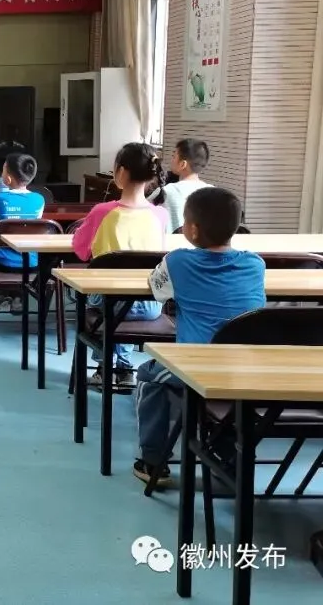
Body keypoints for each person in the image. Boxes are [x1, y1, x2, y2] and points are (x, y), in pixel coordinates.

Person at [134, 187, 265, 487]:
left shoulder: (178, 261)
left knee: (148, 376)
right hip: (248, 369)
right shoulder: (255, 264)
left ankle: (152, 459)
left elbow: (156, 289)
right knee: (231, 399)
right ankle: (226, 453)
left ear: (191, 230)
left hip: (196, 367)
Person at [71, 142, 170, 388]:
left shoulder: (102, 212)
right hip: (151, 304)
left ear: (121, 172)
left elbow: (81, 252)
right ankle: (124, 369)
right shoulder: (161, 215)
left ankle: (105, 367)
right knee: (123, 301)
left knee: (110, 300)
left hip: (107, 302)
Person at [0, 153, 45, 314]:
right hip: (30, 264)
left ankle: (3, 294)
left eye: (3, 169)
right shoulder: (39, 200)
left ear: (8, 179)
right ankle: (17, 296)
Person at [155, 138, 212, 231]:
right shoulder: (212, 192)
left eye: (174, 156)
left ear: (183, 164)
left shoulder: (167, 191)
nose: (172, 160)